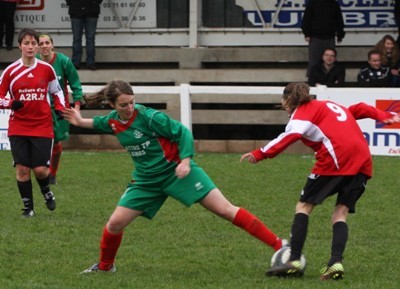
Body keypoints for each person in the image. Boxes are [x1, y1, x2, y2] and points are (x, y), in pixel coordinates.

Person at [62, 80, 287, 273]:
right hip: (146, 181)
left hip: (177, 171)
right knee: (114, 224)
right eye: (124, 104)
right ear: (112, 105)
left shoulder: (150, 117)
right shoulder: (113, 120)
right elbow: (100, 123)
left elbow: (182, 133)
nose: (130, 107)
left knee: (225, 210)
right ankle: (105, 266)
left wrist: (187, 161)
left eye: (132, 101)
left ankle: (281, 245)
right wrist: (80, 121)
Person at [240, 82, 400, 280]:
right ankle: (335, 263)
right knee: (340, 213)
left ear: (288, 100)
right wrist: (385, 116)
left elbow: (290, 135)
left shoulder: (302, 113)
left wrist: (260, 153)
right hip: (363, 162)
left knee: (304, 206)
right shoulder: (328, 106)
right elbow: (360, 108)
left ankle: (294, 260)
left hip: (337, 158)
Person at [0, 28, 66, 217]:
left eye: (33, 43)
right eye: (26, 43)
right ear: (20, 46)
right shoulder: (11, 71)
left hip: (42, 125)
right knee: (22, 169)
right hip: (18, 126)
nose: (30, 46)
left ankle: (46, 192)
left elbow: (57, 91)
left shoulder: (46, 69)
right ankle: (28, 208)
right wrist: (12, 103)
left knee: (40, 170)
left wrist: (60, 109)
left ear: (37, 46)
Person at [37, 33, 83, 185]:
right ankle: (42, 172)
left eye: (46, 43)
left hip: (59, 109)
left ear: (52, 45)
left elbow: (76, 84)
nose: (44, 46)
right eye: (41, 43)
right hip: (39, 109)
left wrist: (76, 107)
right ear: (37, 47)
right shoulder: (34, 63)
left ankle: (53, 175)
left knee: (56, 142)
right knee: (41, 141)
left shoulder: (63, 61)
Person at [301, 0, 345, 77]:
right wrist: (307, 33)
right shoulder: (312, 3)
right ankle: (312, 81)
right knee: (314, 61)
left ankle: (331, 80)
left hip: (330, 37)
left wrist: (340, 34)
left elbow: (339, 20)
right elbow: (306, 18)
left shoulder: (334, 4)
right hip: (315, 37)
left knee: (330, 60)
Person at [66, 0, 103, 70]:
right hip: (76, 10)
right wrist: (72, 2)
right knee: (77, 39)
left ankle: (90, 62)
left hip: (91, 10)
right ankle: (76, 62)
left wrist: (95, 2)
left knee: (90, 39)